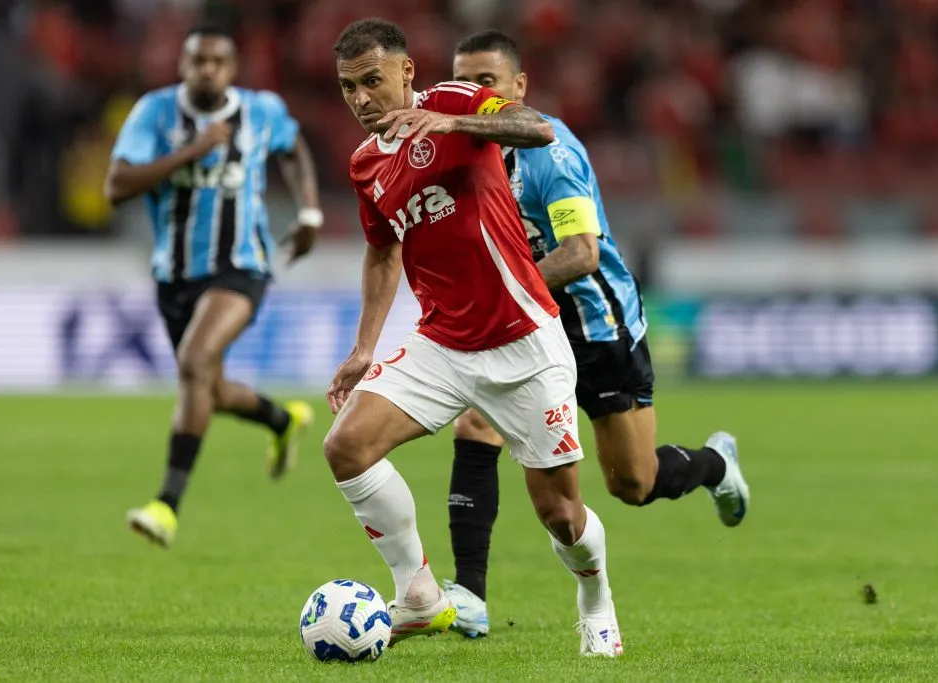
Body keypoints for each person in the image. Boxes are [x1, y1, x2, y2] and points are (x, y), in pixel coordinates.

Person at [325, 18, 623, 656]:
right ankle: (419, 594)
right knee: (346, 447)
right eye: (348, 87)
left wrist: (453, 124)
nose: (360, 99)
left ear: (407, 72)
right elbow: (383, 253)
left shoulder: (455, 103)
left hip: (524, 341)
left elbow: (537, 128)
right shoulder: (365, 164)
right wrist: (364, 347)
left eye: (372, 81)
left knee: (562, 516)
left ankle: (595, 599)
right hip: (442, 344)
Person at [440, 30, 751, 638]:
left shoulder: (550, 154)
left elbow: (581, 254)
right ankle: (470, 597)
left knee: (631, 484)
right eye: (462, 82)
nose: (473, 95)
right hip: (527, 321)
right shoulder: (459, 153)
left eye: (487, 83)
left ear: (517, 89)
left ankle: (716, 465)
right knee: (476, 423)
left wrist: (505, 289)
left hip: (597, 322)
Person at [104, 23, 321, 548]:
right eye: (197, 61)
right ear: (182, 66)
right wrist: (193, 151)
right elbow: (116, 186)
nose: (207, 70)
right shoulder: (154, 113)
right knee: (210, 387)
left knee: (194, 365)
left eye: (217, 62)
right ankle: (281, 419)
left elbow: (293, 149)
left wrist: (309, 211)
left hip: (241, 265)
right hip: (174, 274)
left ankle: (167, 505)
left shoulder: (260, 110)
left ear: (232, 68)